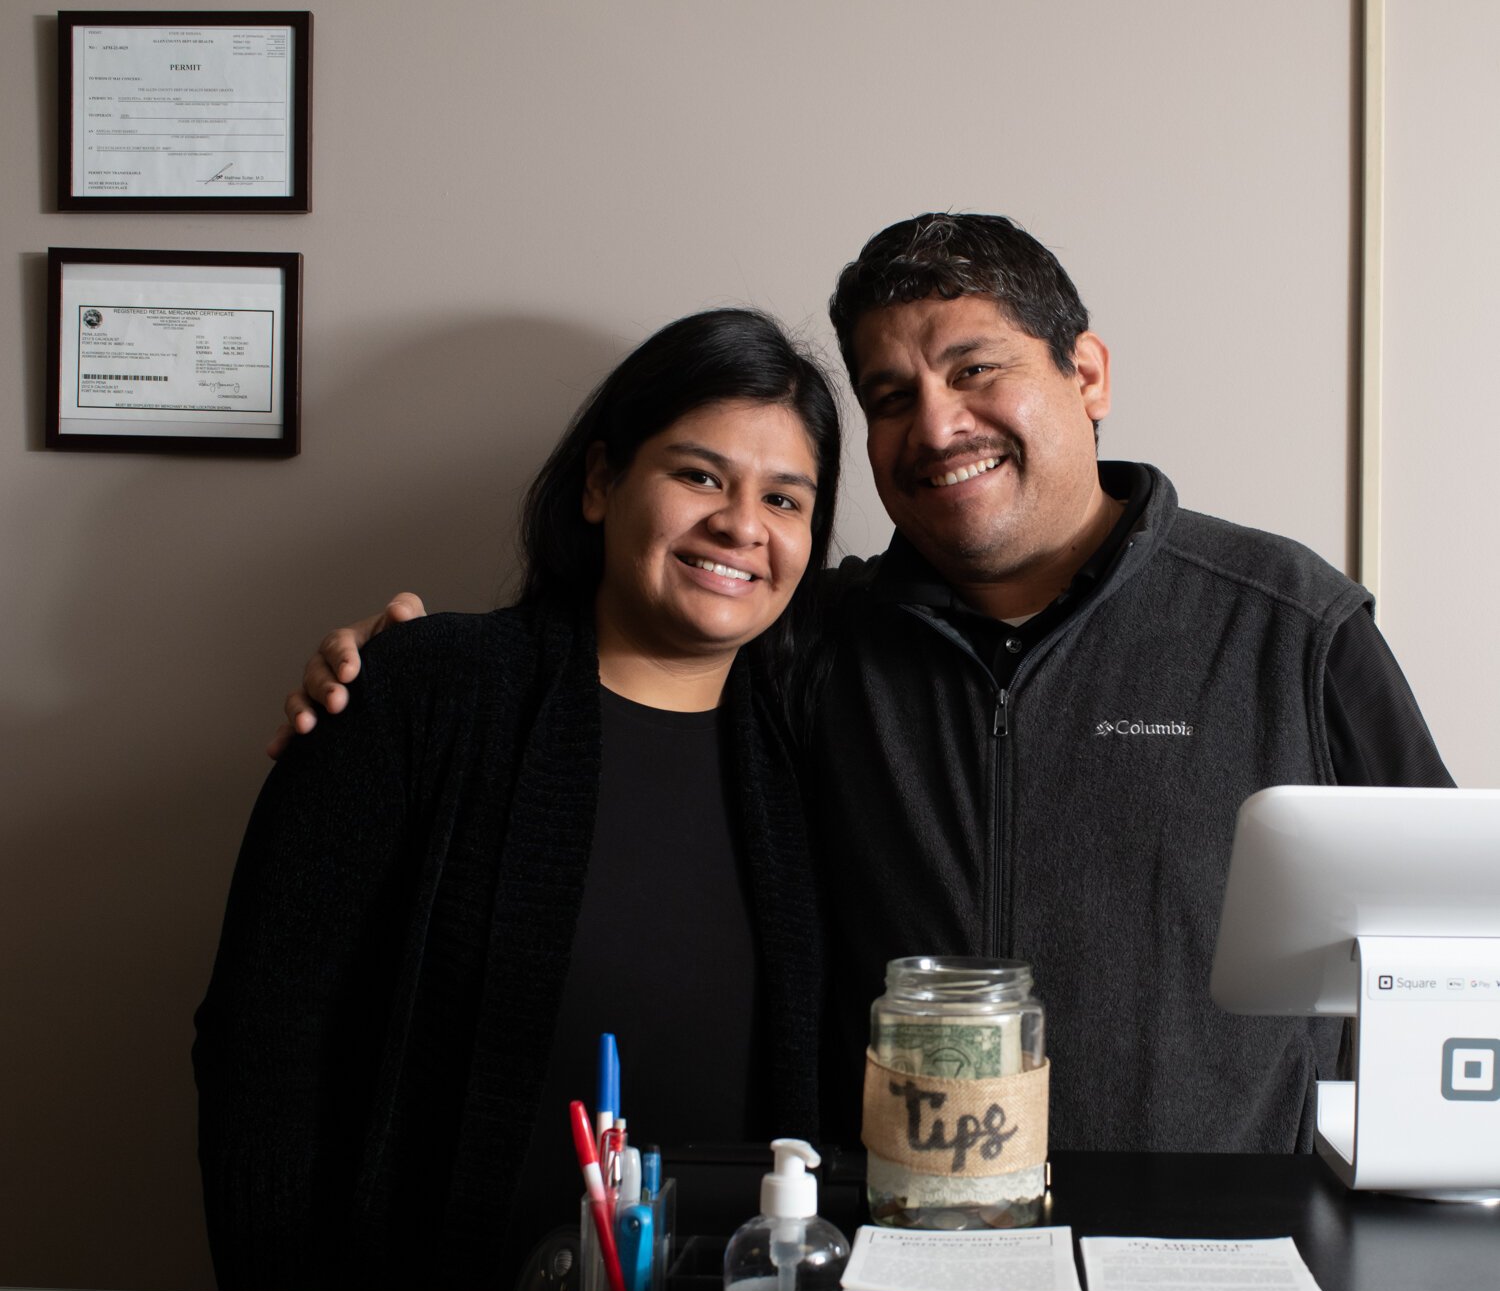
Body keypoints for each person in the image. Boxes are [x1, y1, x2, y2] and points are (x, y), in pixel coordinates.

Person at [279, 214, 1451, 1162]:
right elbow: (622, 697)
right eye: (891, 396)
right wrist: (396, 687)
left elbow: (1455, 951)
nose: (937, 425)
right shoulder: (812, 639)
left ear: (1085, 372)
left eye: (974, 368)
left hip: (1217, 1265)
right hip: (895, 1262)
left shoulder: (1286, 622)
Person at [194, 308, 842, 1291]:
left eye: (786, 499)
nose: (742, 525)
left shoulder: (812, 761)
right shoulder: (427, 690)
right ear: (598, 483)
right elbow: (261, 1042)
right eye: (699, 475)